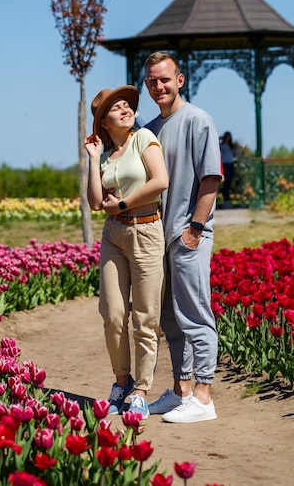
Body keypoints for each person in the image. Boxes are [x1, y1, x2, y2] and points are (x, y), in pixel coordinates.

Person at [144, 51, 222, 424]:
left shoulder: (198, 121)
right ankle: (181, 392)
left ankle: (204, 397)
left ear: (180, 80)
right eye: (152, 81)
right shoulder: (152, 129)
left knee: (195, 316)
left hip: (187, 233)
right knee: (170, 320)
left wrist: (195, 228)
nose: (158, 86)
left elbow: (211, 178)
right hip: (159, 237)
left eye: (164, 79)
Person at [84, 85, 168, 420]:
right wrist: (92, 160)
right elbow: (94, 202)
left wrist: (122, 202)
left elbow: (160, 180)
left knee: (146, 317)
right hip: (113, 236)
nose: (124, 109)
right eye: (115, 108)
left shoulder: (144, 138)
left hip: (146, 230)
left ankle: (141, 390)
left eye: (126, 104)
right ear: (104, 122)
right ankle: (121, 382)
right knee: (113, 313)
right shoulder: (105, 156)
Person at [219, 131, 236, 208]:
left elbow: (234, 154)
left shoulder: (231, 146)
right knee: (226, 182)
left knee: (230, 182)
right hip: (225, 164)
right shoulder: (221, 146)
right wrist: (220, 139)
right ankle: (225, 200)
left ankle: (227, 199)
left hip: (231, 164)